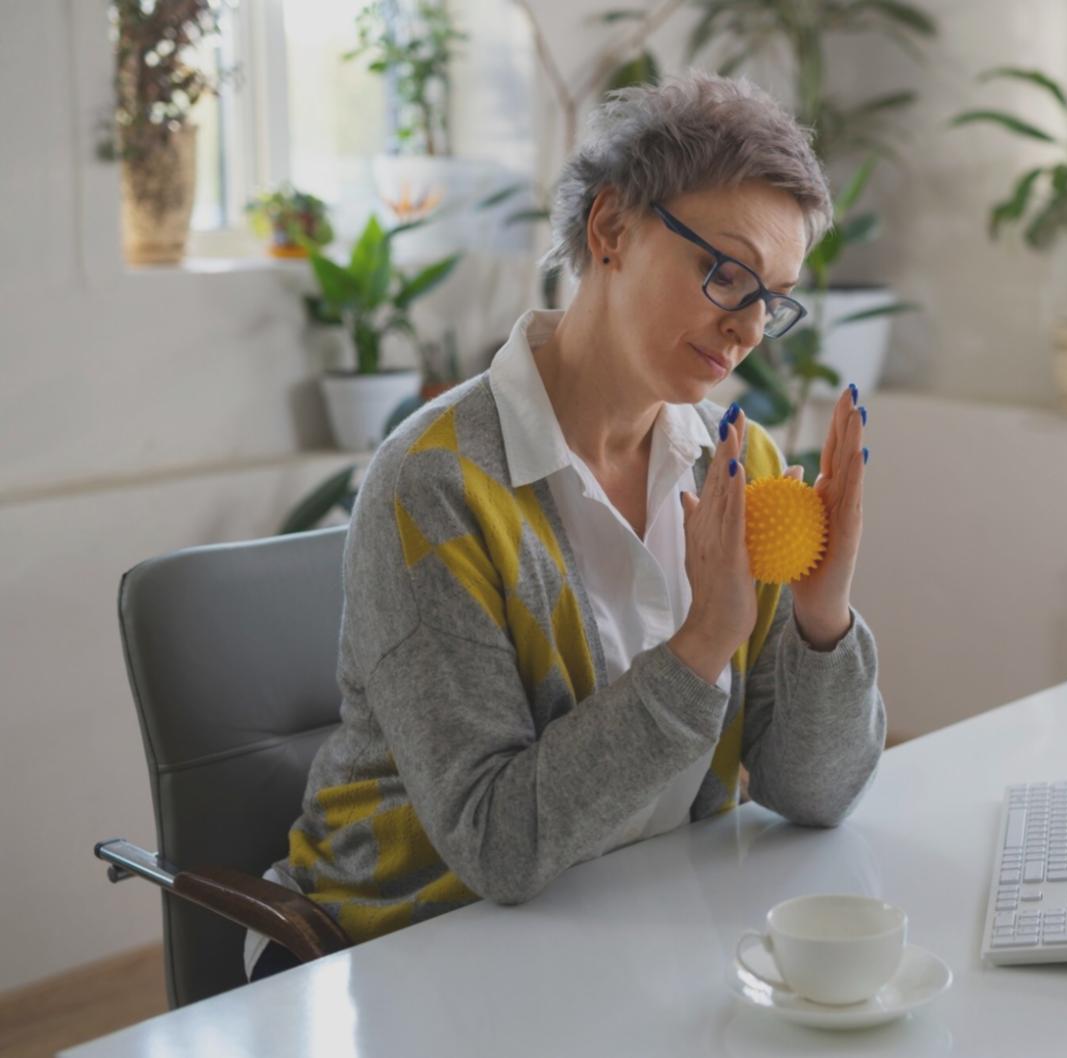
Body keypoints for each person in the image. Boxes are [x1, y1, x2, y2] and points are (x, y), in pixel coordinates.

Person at [244, 71, 885, 982]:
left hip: (634, 926)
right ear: (611, 228)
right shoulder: (436, 483)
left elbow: (814, 793)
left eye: (771, 299)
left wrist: (823, 619)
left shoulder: (736, 465)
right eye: (726, 274)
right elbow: (496, 844)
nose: (746, 330)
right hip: (404, 949)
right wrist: (704, 641)